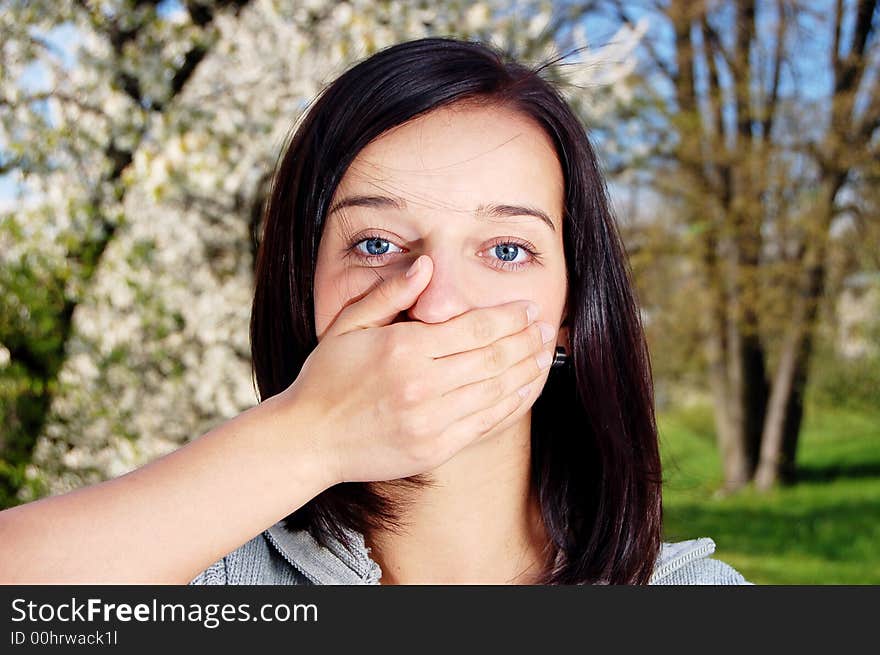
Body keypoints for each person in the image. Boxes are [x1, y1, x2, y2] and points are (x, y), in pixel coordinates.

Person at [0, 37, 748, 585]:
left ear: (569, 310)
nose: (437, 300)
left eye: (507, 250)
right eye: (378, 242)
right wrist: (311, 435)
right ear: (306, 286)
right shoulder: (204, 580)